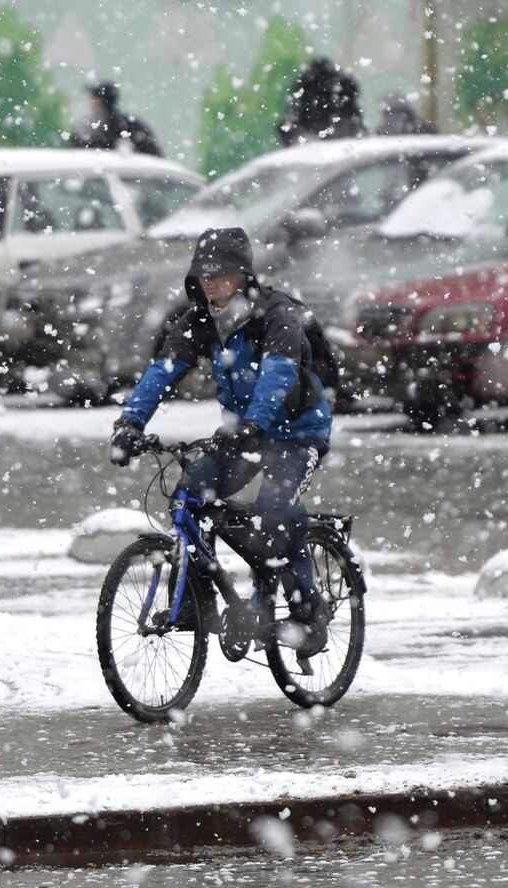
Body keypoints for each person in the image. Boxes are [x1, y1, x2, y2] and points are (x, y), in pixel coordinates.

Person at [107, 227, 333, 655]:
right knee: (190, 497)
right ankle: (194, 602)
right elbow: (163, 371)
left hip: (298, 431)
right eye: (202, 273)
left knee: (274, 514)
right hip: (241, 432)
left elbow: (279, 374)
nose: (210, 281)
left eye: (220, 272)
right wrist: (130, 423)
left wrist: (256, 421)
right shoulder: (198, 321)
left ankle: (309, 615)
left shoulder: (276, 313)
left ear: (242, 274)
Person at [278, 57, 366, 146]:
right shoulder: (344, 83)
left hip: (312, 134)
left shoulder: (305, 85)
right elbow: (355, 116)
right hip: (341, 136)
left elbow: (291, 119)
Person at [68, 81, 163, 157]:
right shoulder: (132, 125)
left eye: (95, 98)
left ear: (103, 101)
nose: (91, 102)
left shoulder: (125, 127)